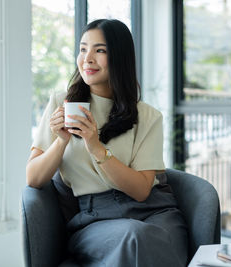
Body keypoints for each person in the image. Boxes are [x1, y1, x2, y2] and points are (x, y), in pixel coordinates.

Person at [26, 19, 188, 267]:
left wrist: (96, 146)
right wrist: (61, 141)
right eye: (82, 49)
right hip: (96, 220)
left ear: (119, 57)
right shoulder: (61, 103)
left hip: (154, 215)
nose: (87, 58)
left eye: (100, 50)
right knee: (134, 238)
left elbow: (142, 191)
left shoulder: (147, 116)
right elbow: (34, 178)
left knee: (141, 236)